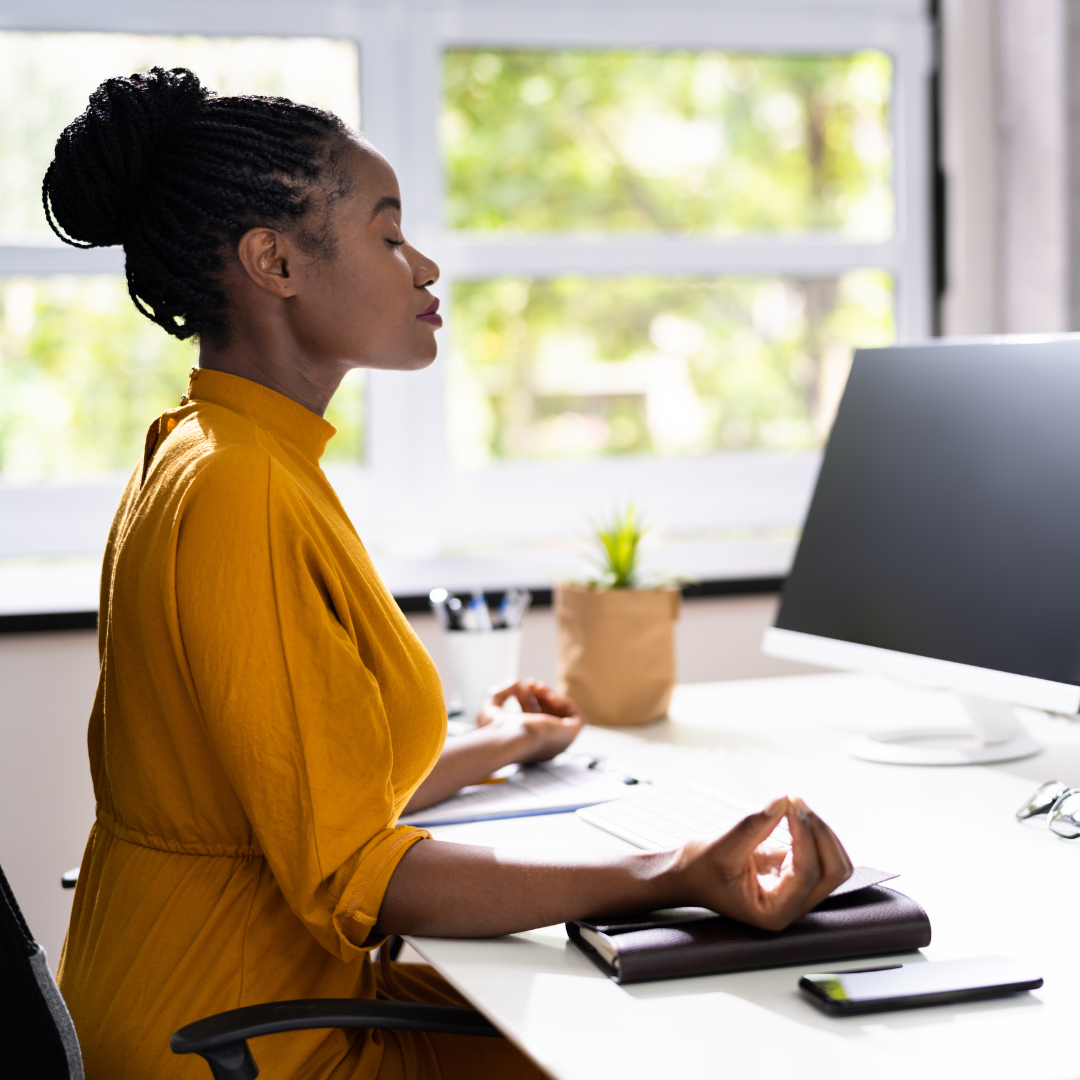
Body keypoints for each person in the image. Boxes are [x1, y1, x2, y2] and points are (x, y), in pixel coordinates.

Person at [46, 67, 853, 1080]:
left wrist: (496, 745)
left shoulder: (205, 448)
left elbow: (292, 790)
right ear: (275, 262)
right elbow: (360, 873)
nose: (423, 265)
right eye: (388, 235)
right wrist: (679, 870)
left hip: (215, 998)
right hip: (249, 1038)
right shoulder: (243, 490)